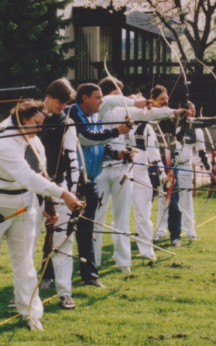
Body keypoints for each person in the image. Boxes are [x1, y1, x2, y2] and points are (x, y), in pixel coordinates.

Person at [0, 100, 82, 331]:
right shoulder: (3, 142)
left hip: (25, 205)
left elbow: (41, 175)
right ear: (22, 119)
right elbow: (28, 177)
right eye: (36, 123)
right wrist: (63, 194)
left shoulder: (33, 138)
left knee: (25, 263)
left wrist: (48, 205)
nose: (40, 129)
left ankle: (31, 314)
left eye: (41, 124)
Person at [93, 81, 189, 270]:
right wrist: (133, 102)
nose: (121, 98)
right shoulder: (104, 110)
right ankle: (95, 261)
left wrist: (174, 112)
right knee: (100, 217)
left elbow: (149, 115)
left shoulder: (129, 116)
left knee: (131, 216)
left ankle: (132, 257)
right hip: (105, 169)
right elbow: (111, 101)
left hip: (128, 169)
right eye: (117, 94)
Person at [69, 83, 130, 285]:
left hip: (91, 181)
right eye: (98, 97)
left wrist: (118, 153)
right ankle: (50, 275)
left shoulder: (96, 117)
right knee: (64, 230)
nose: (101, 101)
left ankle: (90, 276)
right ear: (85, 98)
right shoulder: (73, 114)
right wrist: (116, 131)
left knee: (87, 231)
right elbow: (85, 138)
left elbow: (102, 145)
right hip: (72, 183)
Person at [30, 78, 80, 309]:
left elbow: (72, 159)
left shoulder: (66, 122)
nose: (62, 108)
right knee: (27, 244)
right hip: (31, 188)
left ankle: (64, 292)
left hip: (59, 187)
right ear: (48, 98)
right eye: (60, 103)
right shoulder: (29, 118)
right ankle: (25, 293)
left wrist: (74, 192)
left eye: (66, 104)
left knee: (63, 242)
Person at [156, 101, 208, 240]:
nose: (191, 113)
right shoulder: (170, 125)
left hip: (185, 167)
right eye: (187, 110)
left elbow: (202, 152)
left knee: (186, 200)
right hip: (169, 167)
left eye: (193, 110)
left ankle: (190, 231)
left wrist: (210, 170)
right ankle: (161, 231)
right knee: (165, 199)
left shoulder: (196, 130)